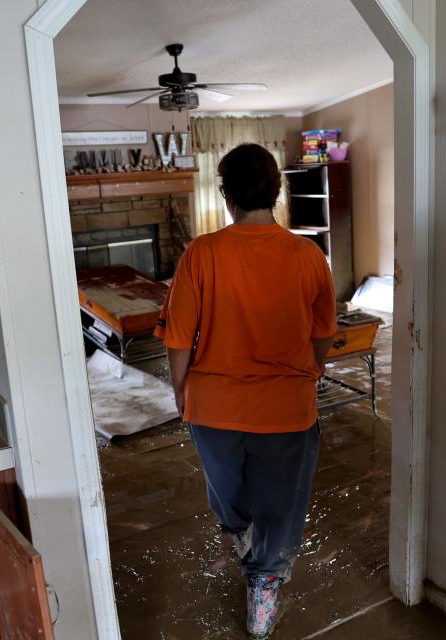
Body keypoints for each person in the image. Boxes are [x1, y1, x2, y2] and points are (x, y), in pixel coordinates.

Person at [154, 143, 336, 639]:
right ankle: (263, 591)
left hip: (213, 408)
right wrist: (310, 370)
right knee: (281, 504)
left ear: (226, 194)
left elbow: (176, 339)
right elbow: (322, 333)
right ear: (276, 192)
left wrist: (181, 392)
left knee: (229, 498)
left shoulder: (201, 253)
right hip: (286, 409)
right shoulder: (308, 255)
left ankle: (246, 546)